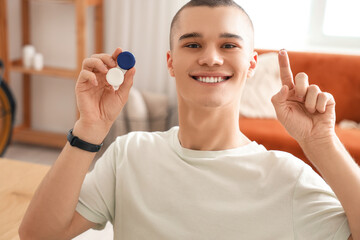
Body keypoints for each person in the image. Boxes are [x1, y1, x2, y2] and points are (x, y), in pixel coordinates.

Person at [19, 0, 359, 239]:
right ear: (170, 62)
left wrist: (322, 144)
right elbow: (37, 234)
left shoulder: (287, 178)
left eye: (228, 45)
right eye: (193, 44)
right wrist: (88, 129)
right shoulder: (129, 155)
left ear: (252, 64)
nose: (211, 58)